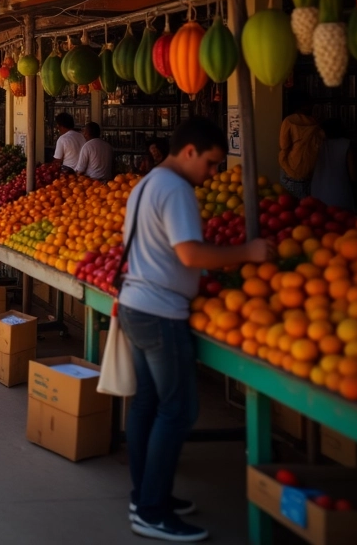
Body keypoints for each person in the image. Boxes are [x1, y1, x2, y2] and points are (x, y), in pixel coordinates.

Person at [118, 117, 275, 542]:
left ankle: (146, 497)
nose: (212, 173)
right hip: (159, 312)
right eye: (210, 163)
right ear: (190, 151)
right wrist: (249, 252)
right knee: (179, 409)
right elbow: (189, 254)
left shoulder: (148, 183)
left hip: (136, 303)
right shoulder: (176, 189)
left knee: (148, 406)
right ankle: (151, 509)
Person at [278, 97, 321, 198]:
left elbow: (283, 145)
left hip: (290, 166)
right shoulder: (314, 122)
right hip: (309, 167)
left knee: (289, 202)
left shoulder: (289, 121)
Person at [310, 118, 355, 210]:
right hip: (340, 191)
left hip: (317, 191)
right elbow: (353, 174)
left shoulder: (315, 144)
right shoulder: (346, 144)